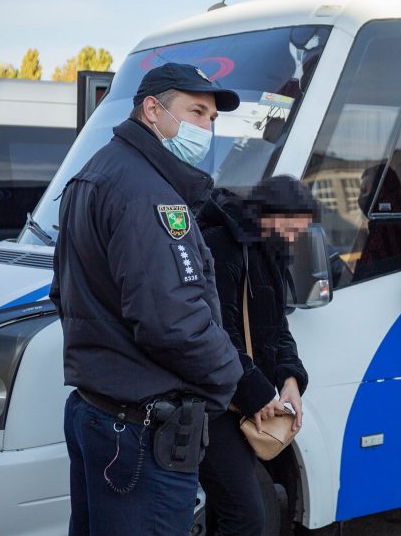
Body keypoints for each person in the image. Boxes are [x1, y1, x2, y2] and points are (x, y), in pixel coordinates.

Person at [51, 62, 244, 535]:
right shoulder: (150, 194)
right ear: (152, 111)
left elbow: (64, 293)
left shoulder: (94, 172)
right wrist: (230, 379)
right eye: (196, 111)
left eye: (213, 119)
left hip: (97, 413)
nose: (206, 128)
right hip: (140, 431)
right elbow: (172, 321)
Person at [197, 175, 315, 536]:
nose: (294, 237)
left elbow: (277, 327)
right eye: (291, 228)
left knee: (232, 511)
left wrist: (290, 379)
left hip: (242, 402)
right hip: (214, 403)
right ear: (267, 214)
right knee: (248, 517)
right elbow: (219, 333)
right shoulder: (222, 245)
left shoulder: (268, 248)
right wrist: (257, 391)